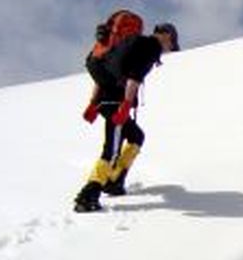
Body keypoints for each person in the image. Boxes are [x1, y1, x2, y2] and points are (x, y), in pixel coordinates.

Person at [73, 18, 181, 213]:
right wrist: (125, 105)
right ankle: (88, 195)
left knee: (136, 137)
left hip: (106, 99)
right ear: (165, 35)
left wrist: (93, 103)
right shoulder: (150, 46)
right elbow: (134, 77)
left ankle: (115, 180)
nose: (169, 49)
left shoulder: (130, 42)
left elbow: (103, 71)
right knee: (112, 149)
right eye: (171, 43)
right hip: (116, 103)